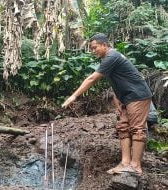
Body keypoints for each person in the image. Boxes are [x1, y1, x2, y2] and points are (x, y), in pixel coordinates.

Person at [62, 33, 152, 176]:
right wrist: (118, 99)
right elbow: (118, 79)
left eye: (95, 47)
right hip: (127, 98)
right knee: (123, 127)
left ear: (104, 45)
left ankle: (135, 166)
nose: (93, 51)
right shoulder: (109, 59)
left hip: (138, 96)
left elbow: (92, 79)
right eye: (91, 48)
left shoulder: (112, 56)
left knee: (137, 129)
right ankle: (125, 163)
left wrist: (74, 96)